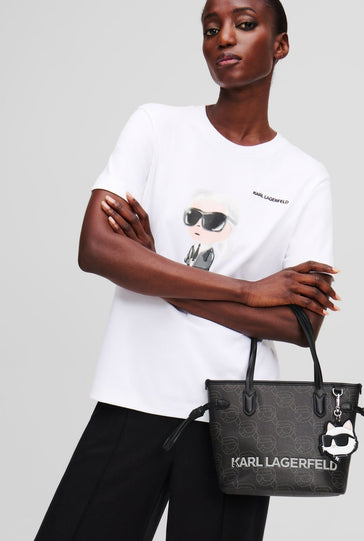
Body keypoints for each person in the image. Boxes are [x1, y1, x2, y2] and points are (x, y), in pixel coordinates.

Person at [34, 0, 340, 539]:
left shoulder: (305, 177)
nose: (224, 38)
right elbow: (96, 249)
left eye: (245, 24)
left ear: (281, 45)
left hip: (239, 416)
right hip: (134, 394)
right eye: (210, 28)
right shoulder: (156, 127)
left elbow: (301, 324)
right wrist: (247, 291)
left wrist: (153, 271)